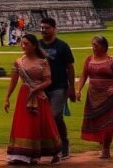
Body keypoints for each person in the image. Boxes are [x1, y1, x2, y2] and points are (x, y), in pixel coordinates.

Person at [4, 34, 62, 165]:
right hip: (24, 95)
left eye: (26, 44)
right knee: (24, 124)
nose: (23, 46)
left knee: (42, 124)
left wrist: (37, 89)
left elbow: (48, 81)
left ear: (34, 46)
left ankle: (55, 152)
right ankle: (22, 155)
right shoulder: (18, 62)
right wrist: (7, 98)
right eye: (22, 43)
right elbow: (13, 82)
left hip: (39, 96)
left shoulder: (43, 62)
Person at [75, 35, 113, 159]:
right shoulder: (89, 59)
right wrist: (78, 90)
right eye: (92, 45)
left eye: (96, 45)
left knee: (108, 123)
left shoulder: (112, 60)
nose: (93, 47)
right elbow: (84, 75)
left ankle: (106, 148)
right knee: (97, 121)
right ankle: (102, 143)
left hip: (109, 96)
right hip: (93, 96)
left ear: (104, 47)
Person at [39, 17, 76, 159]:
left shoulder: (62, 46)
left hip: (58, 86)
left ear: (54, 29)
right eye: (42, 28)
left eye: (47, 28)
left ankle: (64, 142)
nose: (44, 30)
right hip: (42, 87)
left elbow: (70, 68)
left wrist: (71, 87)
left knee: (55, 116)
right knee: (41, 118)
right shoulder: (37, 45)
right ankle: (45, 146)